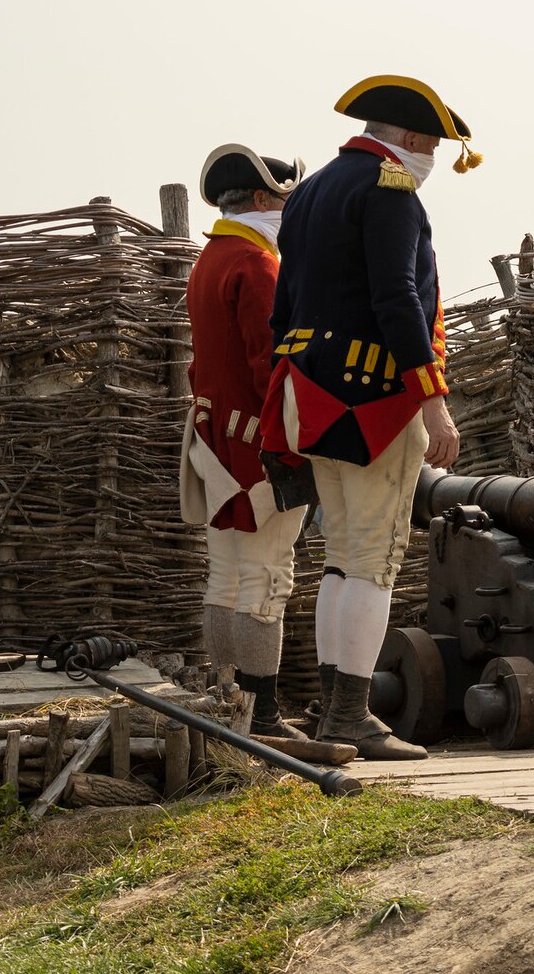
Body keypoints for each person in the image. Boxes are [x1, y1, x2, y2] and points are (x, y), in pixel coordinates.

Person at [261, 75, 478, 759]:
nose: (433, 159)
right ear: (410, 139)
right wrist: (433, 401)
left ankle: (336, 714)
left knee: (341, 560)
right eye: (433, 146)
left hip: (311, 397)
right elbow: (398, 301)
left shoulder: (311, 193)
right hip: (375, 402)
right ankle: (348, 718)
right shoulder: (390, 192)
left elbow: (283, 310)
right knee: (373, 562)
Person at [180, 144, 308, 739]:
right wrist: (295, 442)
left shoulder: (209, 258)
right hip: (258, 444)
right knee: (267, 578)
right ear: (263, 199)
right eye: (285, 198)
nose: (290, 208)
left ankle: (227, 697)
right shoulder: (258, 266)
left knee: (225, 573)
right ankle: (262, 714)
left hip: (214, 441)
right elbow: (270, 370)